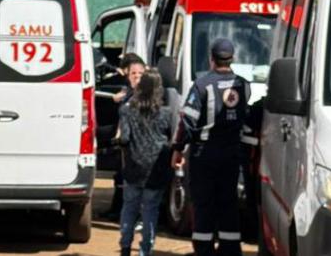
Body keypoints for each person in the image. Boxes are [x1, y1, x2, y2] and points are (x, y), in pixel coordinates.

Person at [171, 38, 250, 256]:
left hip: (204, 155)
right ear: (232, 58)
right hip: (232, 155)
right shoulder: (244, 85)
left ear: (211, 59)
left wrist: (178, 149)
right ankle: (230, 250)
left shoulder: (202, 85)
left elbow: (187, 121)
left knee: (203, 205)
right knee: (228, 203)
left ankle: (204, 250)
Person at [116, 70, 174, 256]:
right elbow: (171, 140)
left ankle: (125, 247)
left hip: (133, 167)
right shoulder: (166, 113)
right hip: (156, 169)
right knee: (150, 210)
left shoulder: (126, 110)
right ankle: (145, 250)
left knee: (129, 207)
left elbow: (124, 138)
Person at [105, 52, 146, 220]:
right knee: (122, 178)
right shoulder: (127, 93)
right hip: (126, 145)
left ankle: (137, 217)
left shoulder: (147, 95)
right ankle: (120, 211)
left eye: (140, 74)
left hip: (140, 146)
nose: (136, 77)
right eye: (133, 74)